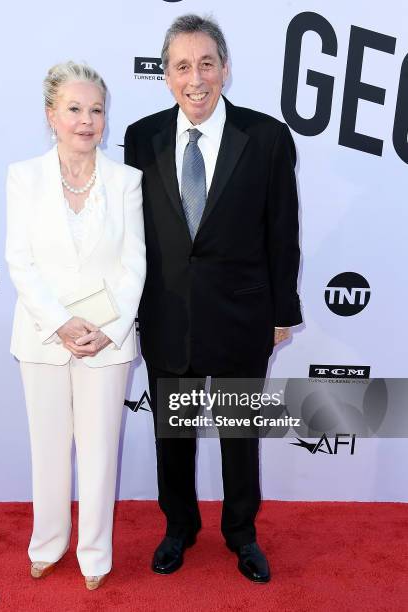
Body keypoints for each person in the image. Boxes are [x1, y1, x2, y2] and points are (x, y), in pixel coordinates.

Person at [124, 15, 302, 582]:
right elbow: (129, 236)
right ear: (166, 75)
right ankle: (178, 529)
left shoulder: (268, 137)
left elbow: (283, 231)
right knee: (171, 436)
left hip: (242, 316)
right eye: (182, 66)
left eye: (206, 63)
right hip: (167, 315)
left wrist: (282, 314)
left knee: (238, 436)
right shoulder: (140, 136)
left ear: (225, 68)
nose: (194, 77)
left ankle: (241, 534)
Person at [6, 61, 146, 590]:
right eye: (74, 109)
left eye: (96, 110)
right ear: (51, 115)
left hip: (107, 341)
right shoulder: (23, 177)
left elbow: (134, 263)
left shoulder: (127, 180)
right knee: (47, 449)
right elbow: (21, 262)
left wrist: (108, 329)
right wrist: (63, 323)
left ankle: (94, 555)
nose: (87, 121)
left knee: (99, 451)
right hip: (44, 336)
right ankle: (46, 544)